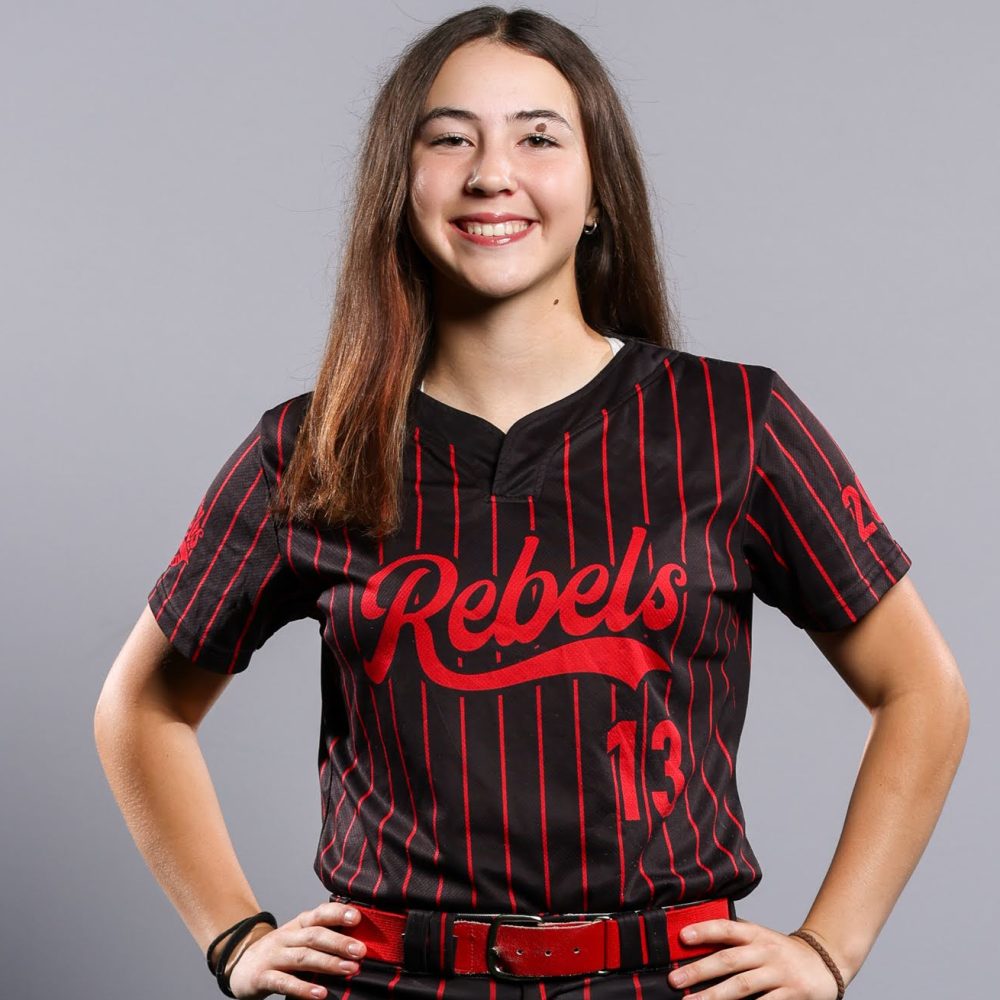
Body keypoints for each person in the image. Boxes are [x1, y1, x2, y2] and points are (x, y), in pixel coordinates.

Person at [94, 6, 969, 1000]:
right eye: (449, 139)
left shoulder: (734, 423)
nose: (491, 173)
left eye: (538, 138)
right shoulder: (311, 447)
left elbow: (922, 691)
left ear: (597, 190)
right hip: (395, 983)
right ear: (399, 184)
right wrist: (233, 936)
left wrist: (827, 948)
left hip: (666, 983)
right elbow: (143, 705)